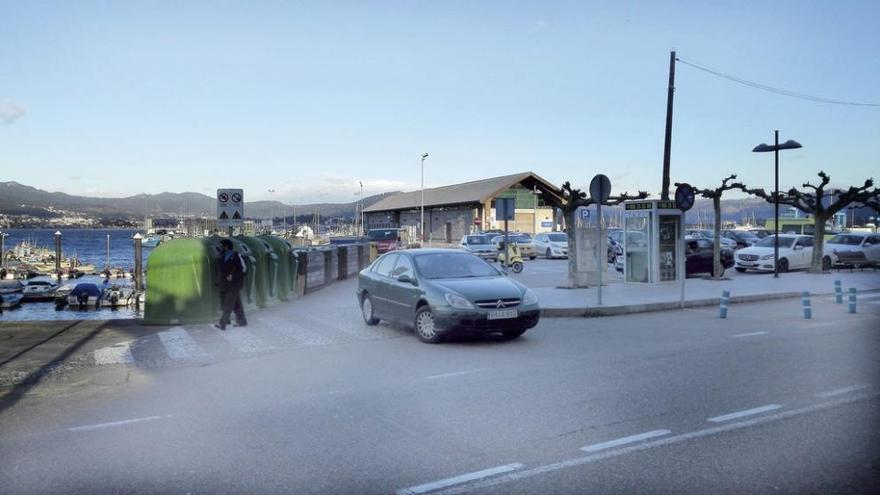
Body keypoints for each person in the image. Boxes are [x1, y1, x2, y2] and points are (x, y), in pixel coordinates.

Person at [215, 238, 247, 330]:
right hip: (226, 284)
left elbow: (244, 270)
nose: (220, 248)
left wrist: (233, 276)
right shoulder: (222, 257)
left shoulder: (236, 255)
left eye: (221, 246)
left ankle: (222, 323)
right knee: (236, 304)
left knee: (228, 303)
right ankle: (242, 321)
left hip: (235, 284)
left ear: (226, 247)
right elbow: (221, 272)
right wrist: (218, 282)